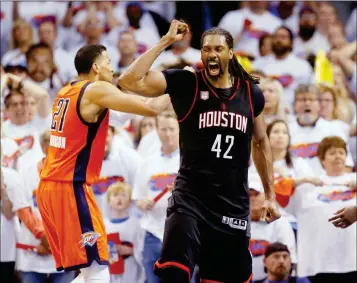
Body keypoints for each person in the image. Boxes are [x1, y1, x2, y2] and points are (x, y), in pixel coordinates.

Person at [118, 20, 281, 283]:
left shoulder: (251, 93)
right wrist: (166, 41)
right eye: (206, 49)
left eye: (218, 49)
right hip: (190, 200)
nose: (212, 54)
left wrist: (270, 195)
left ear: (230, 53)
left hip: (232, 205)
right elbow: (128, 80)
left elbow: (261, 143)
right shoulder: (188, 83)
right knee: (173, 273)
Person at [36, 44, 169, 283]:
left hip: (53, 187)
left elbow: (123, 103)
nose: (112, 67)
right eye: (108, 62)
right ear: (96, 67)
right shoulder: (95, 91)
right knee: (98, 271)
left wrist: (165, 41)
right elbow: (151, 108)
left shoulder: (67, 91)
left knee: (89, 271)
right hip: (68, 188)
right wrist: (184, 86)